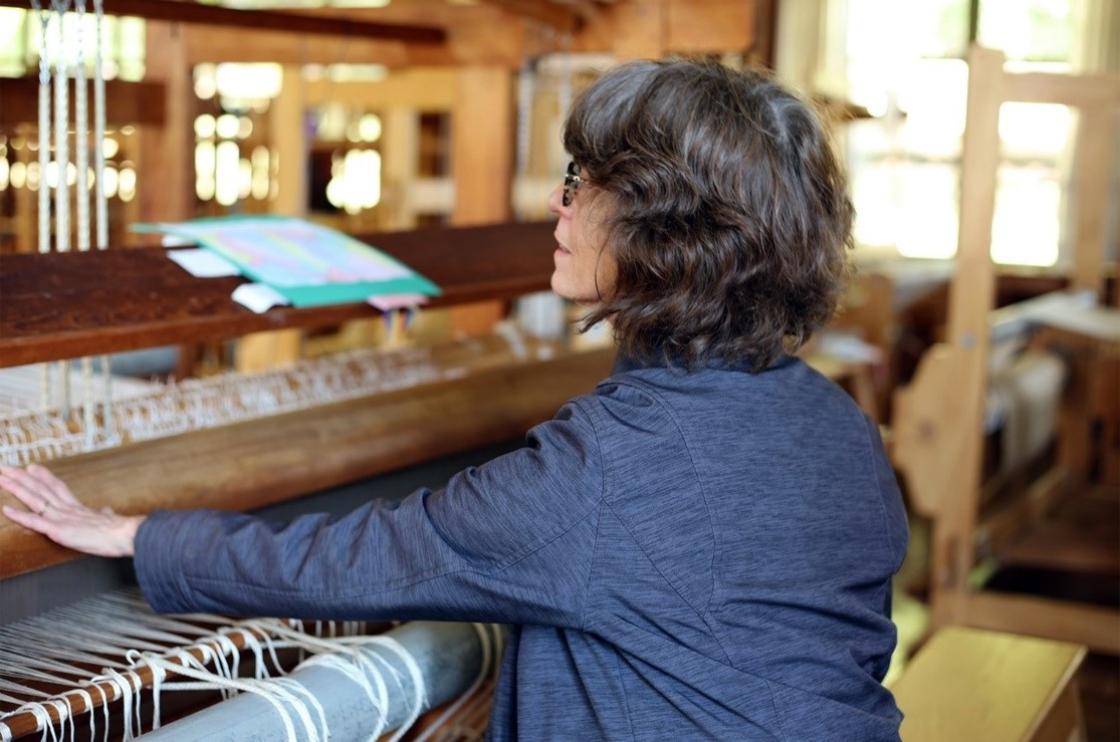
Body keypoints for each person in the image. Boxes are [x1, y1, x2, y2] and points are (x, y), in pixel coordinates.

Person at [1, 59, 908, 740]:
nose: (557, 209)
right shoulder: (839, 426)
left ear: (662, 228)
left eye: (579, 185)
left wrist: (138, 535)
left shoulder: (612, 470)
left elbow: (362, 556)